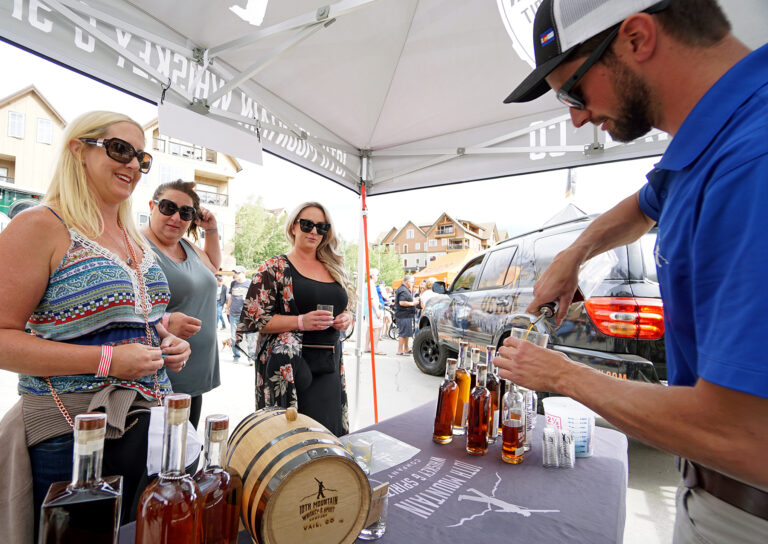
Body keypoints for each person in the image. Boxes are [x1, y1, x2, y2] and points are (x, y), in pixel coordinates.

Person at [499, 1, 768, 542]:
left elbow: (746, 437)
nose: (575, 117)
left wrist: (559, 375)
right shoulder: (716, 138)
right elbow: (647, 202)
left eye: (572, 91)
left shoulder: (751, 162)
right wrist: (573, 255)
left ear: (637, 39)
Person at [0, 111, 191, 540]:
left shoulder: (132, 237)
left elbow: (139, 319)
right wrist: (108, 360)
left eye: (141, 158)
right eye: (120, 149)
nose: (132, 165)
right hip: (71, 429)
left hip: (144, 422)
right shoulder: (40, 225)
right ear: (77, 149)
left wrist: (167, 339)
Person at [238, 202, 355, 436]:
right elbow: (253, 319)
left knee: (327, 433)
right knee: (294, 437)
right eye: (307, 224)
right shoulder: (274, 267)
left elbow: (346, 306)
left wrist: (346, 318)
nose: (314, 231)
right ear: (293, 227)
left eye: (321, 227)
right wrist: (300, 322)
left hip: (329, 362)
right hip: (290, 367)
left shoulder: (334, 267)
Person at [141, 180, 221, 429]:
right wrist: (164, 322)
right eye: (168, 207)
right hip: (162, 374)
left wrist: (212, 229)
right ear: (152, 206)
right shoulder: (136, 246)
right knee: (161, 458)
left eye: (186, 212)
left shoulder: (186, 245)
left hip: (195, 371)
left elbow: (212, 266)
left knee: (184, 454)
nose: (176, 217)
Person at [226, 265, 250, 362]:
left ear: (243, 273)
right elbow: (231, 297)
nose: (235, 275)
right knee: (233, 336)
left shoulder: (250, 283)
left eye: (238, 273)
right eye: (235, 273)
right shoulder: (233, 283)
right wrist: (227, 308)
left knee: (249, 337)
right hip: (234, 314)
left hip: (246, 315)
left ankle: (250, 358)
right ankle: (236, 356)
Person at [394, 275, 419, 355]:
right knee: (403, 333)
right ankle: (400, 350)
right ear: (407, 282)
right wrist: (413, 303)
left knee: (406, 333)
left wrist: (413, 300)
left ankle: (406, 348)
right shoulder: (404, 290)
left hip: (405, 314)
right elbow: (402, 302)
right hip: (403, 314)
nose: (413, 283)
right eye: (412, 282)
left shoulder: (403, 289)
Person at [363, 268, 385, 355]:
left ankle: (366, 347)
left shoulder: (367, 284)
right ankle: (375, 348)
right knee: (377, 328)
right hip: (372, 310)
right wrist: (377, 311)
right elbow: (371, 298)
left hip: (368, 310)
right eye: (377, 275)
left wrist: (378, 303)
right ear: (372, 276)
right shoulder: (371, 285)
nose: (377, 276)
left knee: (369, 328)